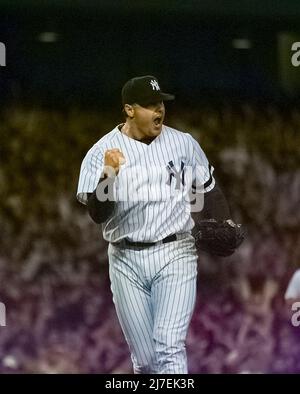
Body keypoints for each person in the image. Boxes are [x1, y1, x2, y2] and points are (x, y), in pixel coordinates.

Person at [76, 75, 243, 374]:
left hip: (176, 252)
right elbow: (98, 214)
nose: (159, 110)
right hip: (125, 258)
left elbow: (208, 189)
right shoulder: (101, 152)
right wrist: (108, 176)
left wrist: (223, 220)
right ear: (129, 109)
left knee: (168, 345)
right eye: (150, 104)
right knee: (146, 360)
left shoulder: (183, 143)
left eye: (161, 103)